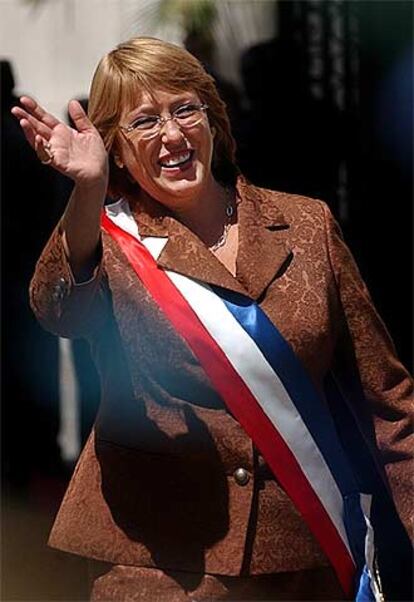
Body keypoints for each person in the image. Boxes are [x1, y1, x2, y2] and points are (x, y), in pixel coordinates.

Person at [12, 37, 412, 602]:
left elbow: (387, 402)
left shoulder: (306, 225)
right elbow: (58, 309)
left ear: (213, 119)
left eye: (183, 109)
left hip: (304, 556)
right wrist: (87, 192)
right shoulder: (106, 239)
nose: (171, 135)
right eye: (144, 122)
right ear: (116, 150)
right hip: (160, 565)